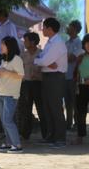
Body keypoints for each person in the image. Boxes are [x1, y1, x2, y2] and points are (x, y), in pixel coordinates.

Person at [34, 17, 68, 148]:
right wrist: (44, 63)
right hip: (48, 76)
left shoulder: (58, 43)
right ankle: (51, 136)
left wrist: (42, 63)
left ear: (49, 28)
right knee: (47, 107)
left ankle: (60, 138)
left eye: (44, 27)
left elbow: (42, 61)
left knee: (55, 108)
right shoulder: (50, 42)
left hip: (56, 77)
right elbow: (43, 60)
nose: (42, 29)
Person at [0, 36, 24, 153]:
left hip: (11, 94)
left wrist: (4, 71)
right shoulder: (3, 59)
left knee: (7, 120)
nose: (1, 46)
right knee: (4, 120)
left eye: (3, 44)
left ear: (10, 46)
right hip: (1, 93)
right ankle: (8, 143)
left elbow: (21, 75)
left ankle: (17, 145)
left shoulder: (17, 59)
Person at [17, 32, 46, 140]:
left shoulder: (42, 53)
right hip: (26, 84)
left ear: (33, 42)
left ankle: (45, 134)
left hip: (38, 83)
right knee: (25, 109)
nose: (24, 43)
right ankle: (25, 134)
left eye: (26, 40)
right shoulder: (23, 55)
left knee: (41, 109)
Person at [65, 20, 84, 130]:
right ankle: (68, 124)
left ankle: (77, 124)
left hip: (74, 76)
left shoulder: (79, 43)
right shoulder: (66, 43)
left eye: (70, 26)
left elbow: (73, 58)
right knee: (67, 102)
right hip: (65, 76)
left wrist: (64, 57)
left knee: (75, 102)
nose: (67, 28)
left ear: (75, 29)